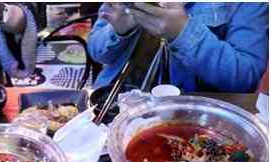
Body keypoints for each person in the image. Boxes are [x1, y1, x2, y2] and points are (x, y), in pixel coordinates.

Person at [88, 2, 269, 93]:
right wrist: (118, 30)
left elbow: (247, 76)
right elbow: (96, 51)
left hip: (192, 115)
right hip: (112, 101)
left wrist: (183, 32)